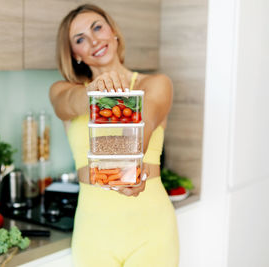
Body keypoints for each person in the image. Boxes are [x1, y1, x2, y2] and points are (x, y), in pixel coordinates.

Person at [49, 4, 179, 267]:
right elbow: (68, 103)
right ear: (75, 54)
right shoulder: (64, 91)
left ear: (114, 32)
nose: (94, 40)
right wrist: (94, 93)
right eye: (80, 39)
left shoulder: (154, 84)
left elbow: (145, 121)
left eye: (97, 27)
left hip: (152, 231)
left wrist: (129, 166)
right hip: (93, 235)